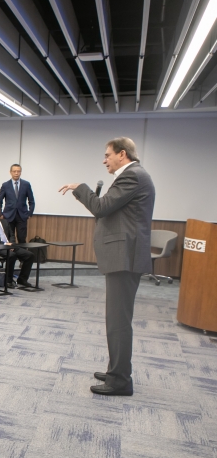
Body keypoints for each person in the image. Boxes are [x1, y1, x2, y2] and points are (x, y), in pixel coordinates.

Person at [59, 137, 155, 396]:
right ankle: (117, 369)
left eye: (107, 155)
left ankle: (120, 380)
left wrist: (81, 187)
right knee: (117, 319)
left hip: (125, 257)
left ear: (122, 154)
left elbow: (101, 207)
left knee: (118, 322)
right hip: (124, 256)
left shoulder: (132, 176)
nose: (104, 160)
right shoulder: (133, 175)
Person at [0, 201, 34, 288]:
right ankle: (8, 280)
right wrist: (5, 244)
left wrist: (11, 244)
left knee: (29, 255)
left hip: (10, 246)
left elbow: (11, 235)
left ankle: (22, 279)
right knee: (12, 255)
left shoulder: (5, 222)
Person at [0, 164, 35, 244]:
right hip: (8, 215)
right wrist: (1, 213)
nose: (16, 173)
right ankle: (11, 255)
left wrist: (29, 213)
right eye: (14, 171)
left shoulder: (26, 184)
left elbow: (31, 200)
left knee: (21, 238)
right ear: (10, 172)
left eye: (18, 171)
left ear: (20, 172)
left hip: (22, 215)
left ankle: (22, 256)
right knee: (9, 238)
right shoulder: (5, 185)